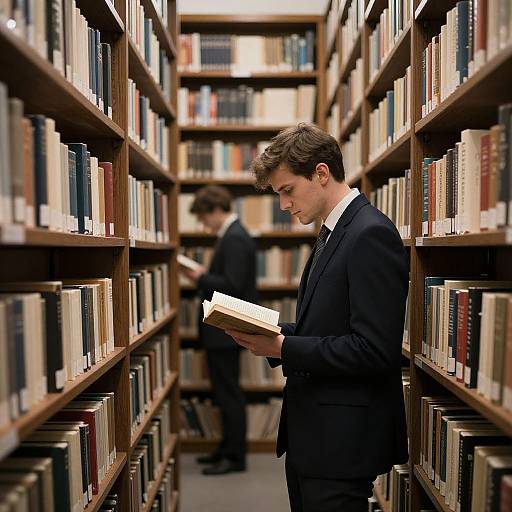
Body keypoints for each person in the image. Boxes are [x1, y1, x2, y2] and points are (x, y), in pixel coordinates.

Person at [225, 123, 409, 511]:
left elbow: (375, 350)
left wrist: (284, 347)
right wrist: (271, 333)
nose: (284, 205)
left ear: (321, 173)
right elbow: (327, 328)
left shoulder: (369, 234)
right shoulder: (333, 232)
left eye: (287, 190)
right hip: (316, 436)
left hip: (342, 442)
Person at [180, 185, 257, 475]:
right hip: (223, 327)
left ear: (214, 210)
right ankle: (226, 449)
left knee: (229, 394)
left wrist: (201, 277)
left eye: (202, 218)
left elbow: (233, 286)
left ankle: (235, 457)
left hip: (228, 327)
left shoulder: (235, 237)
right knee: (224, 392)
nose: (203, 225)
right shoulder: (231, 235)